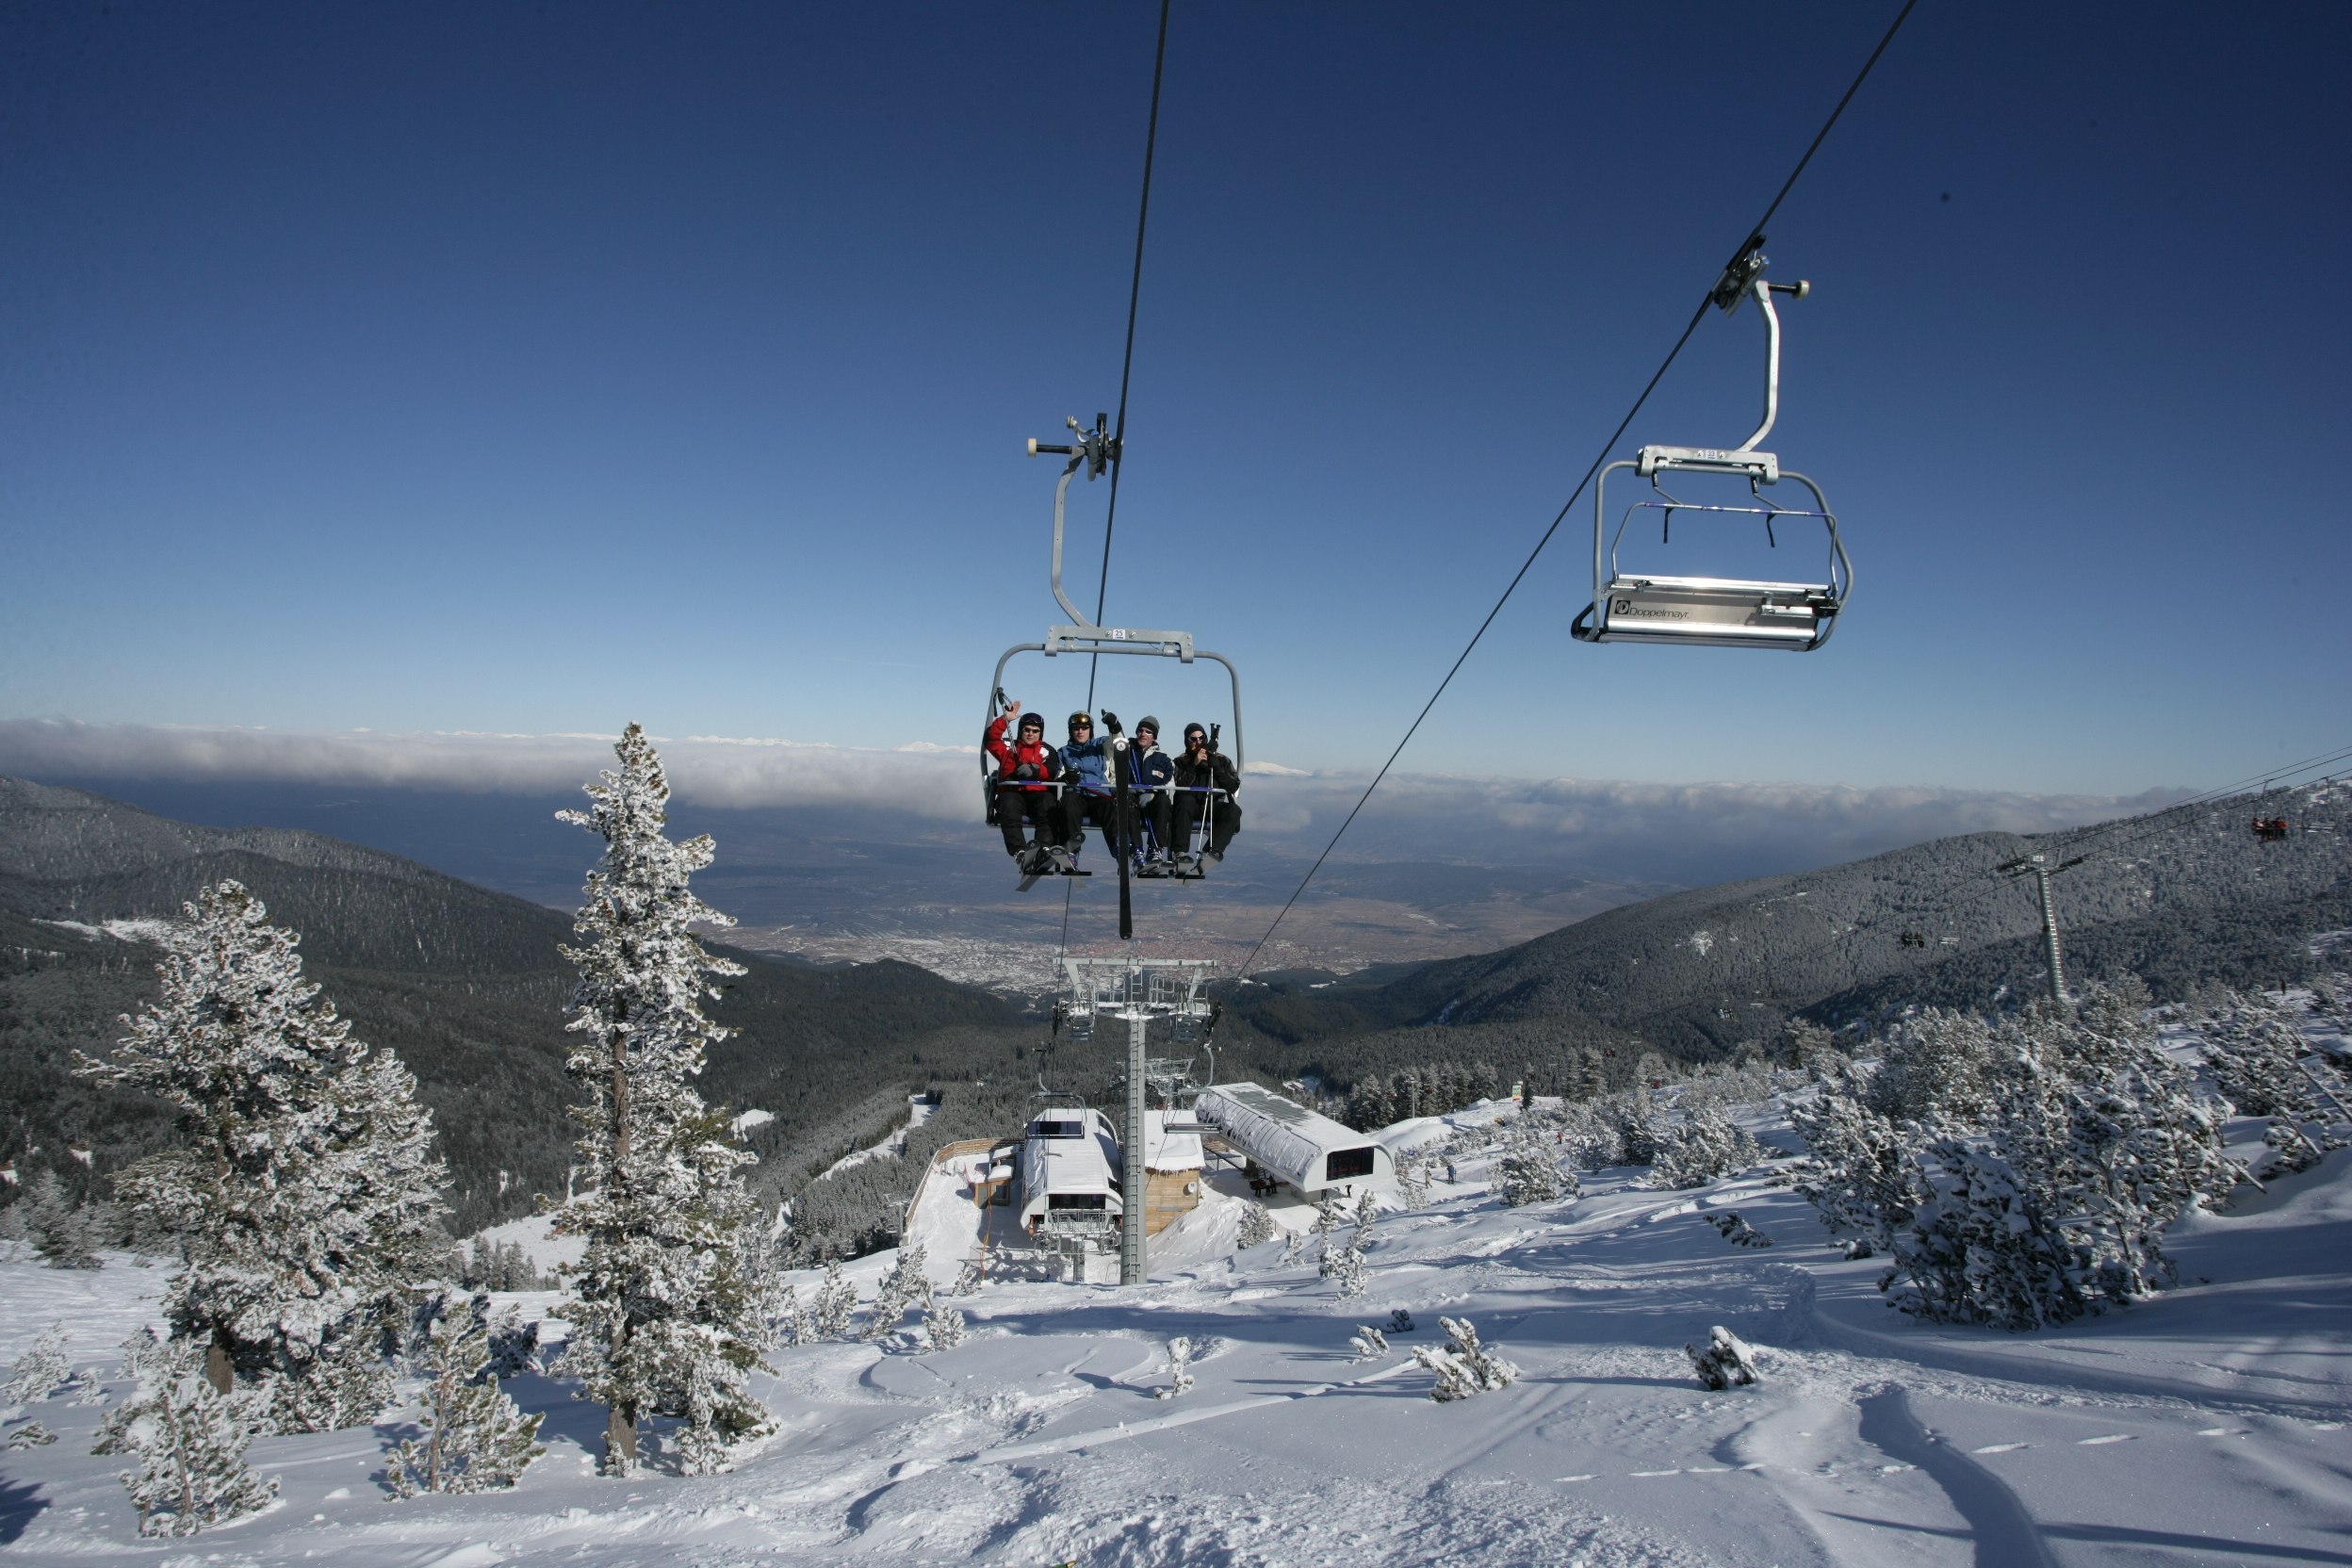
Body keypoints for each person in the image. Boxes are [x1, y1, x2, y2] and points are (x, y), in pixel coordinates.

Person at [982, 702, 1062, 870]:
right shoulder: (1008, 746)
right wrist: (1005, 720)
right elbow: (991, 740)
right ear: (1021, 730)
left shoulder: (1046, 750)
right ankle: (1019, 851)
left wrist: (1035, 770)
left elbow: (1052, 769)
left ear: (1040, 733)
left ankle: (1044, 846)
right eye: (1027, 730)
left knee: (1048, 803)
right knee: (1008, 805)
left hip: (1037, 794)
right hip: (1013, 793)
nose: (1030, 734)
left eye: (1035, 731)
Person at [1055, 710, 1128, 862]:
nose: (1080, 731)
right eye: (1076, 728)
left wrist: (1114, 725)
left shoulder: (1100, 746)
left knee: (1111, 807)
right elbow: (1057, 775)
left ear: (1090, 730)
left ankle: (1118, 845)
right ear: (1071, 731)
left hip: (1099, 793)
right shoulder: (1064, 752)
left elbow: (1118, 743)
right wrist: (1064, 778)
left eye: (1084, 728)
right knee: (1068, 803)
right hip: (1077, 794)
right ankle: (1072, 851)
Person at [1170, 721, 1241, 865]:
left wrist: (1218, 769)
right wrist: (1194, 764)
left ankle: (1212, 850)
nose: (1198, 742)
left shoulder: (1222, 760)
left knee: (1233, 810)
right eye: (1193, 739)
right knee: (1185, 801)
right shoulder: (1181, 761)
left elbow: (1233, 786)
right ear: (1187, 741)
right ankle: (1180, 852)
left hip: (1212, 805)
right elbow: (1179, 784)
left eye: (1201, 738)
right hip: (1189, 806)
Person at [1125, 716, 1177, 872]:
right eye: (1140, 730)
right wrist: (1133, 789)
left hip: (1152, 800)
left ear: (1154, 736)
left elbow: (1170, 783)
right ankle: (1137, 850)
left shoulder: (1163, 759)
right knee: (1126, 802)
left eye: (1148, 732)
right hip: (1132, 798)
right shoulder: (1126, 754)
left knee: (1163, 802)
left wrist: (1153, 792)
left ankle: (1155, 849)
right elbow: (1114, 777)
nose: (1143, 734)